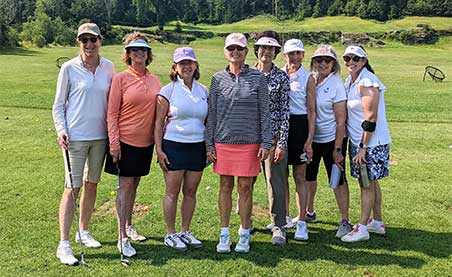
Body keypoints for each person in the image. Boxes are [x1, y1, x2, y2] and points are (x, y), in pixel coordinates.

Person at [52, 23, 115, 265]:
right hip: (75, 138)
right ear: (79, 42)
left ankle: (84, 230)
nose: (89, 45)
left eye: (93, 39)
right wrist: (61, 130)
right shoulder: (69, 68)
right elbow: (58, 104)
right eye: (84, 40)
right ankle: (64, 244)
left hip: (100, 137)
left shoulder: (108, 67)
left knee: (92, 184)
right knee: (72, 187)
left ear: (100, 40)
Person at [206, 33, 272, 254]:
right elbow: (212, 114)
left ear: (246, 52)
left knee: (245, 188)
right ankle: (224, 232)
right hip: (223, 141)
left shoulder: (258, 78)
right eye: (231, 48)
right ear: (226, 51)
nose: (235, 52)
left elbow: (265, 112)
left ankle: (244, 232)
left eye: (240, 49)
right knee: (225, 186)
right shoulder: (216, 79)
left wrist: (266, 141)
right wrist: (209, 144)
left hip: (250, 143)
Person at [104, 32, 161, 256]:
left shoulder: (155, 79)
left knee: (134, 185)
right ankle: (122, 236)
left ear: (148, 54)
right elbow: (111, 113)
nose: (139, 53)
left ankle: (128, 224)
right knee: (125, 187)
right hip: (125, 142)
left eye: (143, 50)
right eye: (135, 50)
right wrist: (114, 143)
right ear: (128, 54)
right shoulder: (120, 79)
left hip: (145, 143)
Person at [154, 47, 208, 251]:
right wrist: (159, 150)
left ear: (196, 65)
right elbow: (158, 123)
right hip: (174, 146)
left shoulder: (203, 90)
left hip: (197, 146)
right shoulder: (168, 91)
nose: (186, 66)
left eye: (190, 63)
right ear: (175, 67)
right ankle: (170, 233)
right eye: (182, 63)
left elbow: (207, 120)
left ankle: (185, 231)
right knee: (172, 192)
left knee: (191, 192)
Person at [340, 45, 391, 242]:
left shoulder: (367, 81)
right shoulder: (351, 80)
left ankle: (361, 227)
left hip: (370, 143)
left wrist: (362, 147)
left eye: (355, 58)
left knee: (365, 184)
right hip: (360, 141)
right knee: (372, 181)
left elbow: (370, 117)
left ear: (364, 60)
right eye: (347, 58)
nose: (350, 62)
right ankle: (376, 222)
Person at [306, 45, 352, 239]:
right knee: (308, 177)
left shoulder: (336, 84)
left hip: (333, 139)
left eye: (327, 60)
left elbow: (341, 120)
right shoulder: (312, 80)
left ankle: (344, 221)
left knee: (338, 180)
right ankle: (308, 212)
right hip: (311, 139)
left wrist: (339, 148)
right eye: (319, 60)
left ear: (334, 63)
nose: (323, 63)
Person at [252, 31, 290, 245]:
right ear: (257, 50)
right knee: (246, 180)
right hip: (250, 136)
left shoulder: (281, 77)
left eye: (271, 48)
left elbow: (285, 111)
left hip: (274, 137)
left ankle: (279, 225)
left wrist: (282, 143)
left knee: (275, 181)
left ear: (276, 52)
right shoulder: (248, 73)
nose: (266, 51)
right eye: (262, 48)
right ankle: (244, 221)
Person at [281, 39, 316, 240]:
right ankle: (284, 217)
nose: (295, 57)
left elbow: (312, 111)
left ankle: (301, 221)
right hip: (281, 125)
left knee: (299, 176)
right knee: (281, 175)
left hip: (299, 125)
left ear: (303, 55)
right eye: (291, 54)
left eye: (298, 53)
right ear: (284, 55)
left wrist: (309, 140)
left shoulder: (308, 78)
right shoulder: (278, 73)